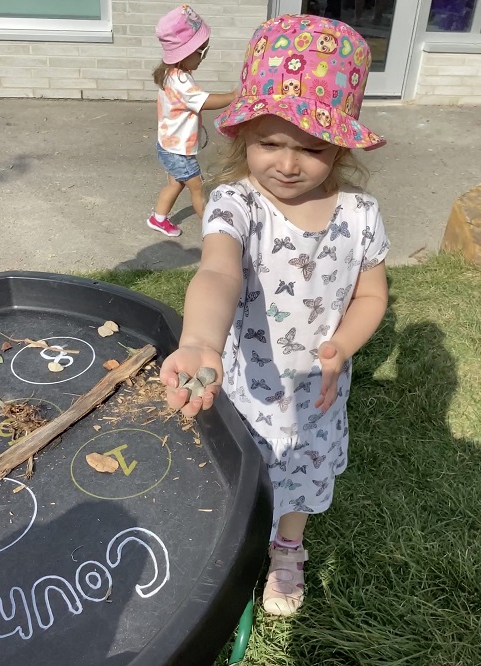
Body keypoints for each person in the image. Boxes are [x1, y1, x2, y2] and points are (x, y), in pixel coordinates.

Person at [160, 13, 390, 616]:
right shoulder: (237, 203)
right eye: (269, 143)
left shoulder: (361, 215)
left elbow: (371, 296)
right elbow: (217, 271)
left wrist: (345, 343)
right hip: (244, 383)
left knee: (301, 476)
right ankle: (235, 540)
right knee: (240, 469)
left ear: (339, 147)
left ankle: (288, 550)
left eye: (310, 148)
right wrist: (201, 341)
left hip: (316, 391)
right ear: (242, 139)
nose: (287, 164)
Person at [148, 4, 236, 237]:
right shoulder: (181, 81)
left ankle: (158, 219)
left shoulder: (170, 74)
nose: (202, 58)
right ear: (185, 54)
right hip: (178, 150)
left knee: (175, 184)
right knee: (198, 189)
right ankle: (214, 231)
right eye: (202, 52)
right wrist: (233, 97)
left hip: (169, 145)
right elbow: (203, 100)